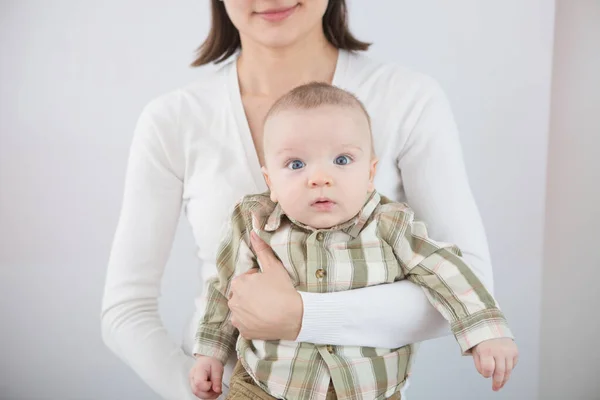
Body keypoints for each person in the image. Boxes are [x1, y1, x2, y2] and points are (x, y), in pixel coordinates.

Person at [101, 1, 508, 399]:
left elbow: (465, 279)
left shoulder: (408, 98)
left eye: (343, 159)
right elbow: (126, 310)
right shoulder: (172, 119)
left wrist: (300, 316)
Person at [188, 83, 517, 400]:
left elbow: (445, 271)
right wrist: (210, 353)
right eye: (296, 164)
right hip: (267, 385)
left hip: (370, 389)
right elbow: (225, 290)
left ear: (371, 173)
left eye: (342, 160)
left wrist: (486, 331)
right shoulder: (254, 221)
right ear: (270, 180)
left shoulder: (391, 225)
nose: (320, 178)